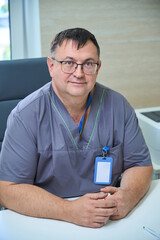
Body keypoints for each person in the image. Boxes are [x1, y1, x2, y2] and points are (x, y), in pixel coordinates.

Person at [0, 28, 153, 228]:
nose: (79, 73)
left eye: (88, 64)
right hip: (45, 219)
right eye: (69, 63)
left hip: (108, 220)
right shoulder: (25, 116)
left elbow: (140, 164)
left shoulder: (118, 106)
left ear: (97, 68)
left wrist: (128, 197)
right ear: (51, 66)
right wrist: (69, 210)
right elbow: (8, 190)